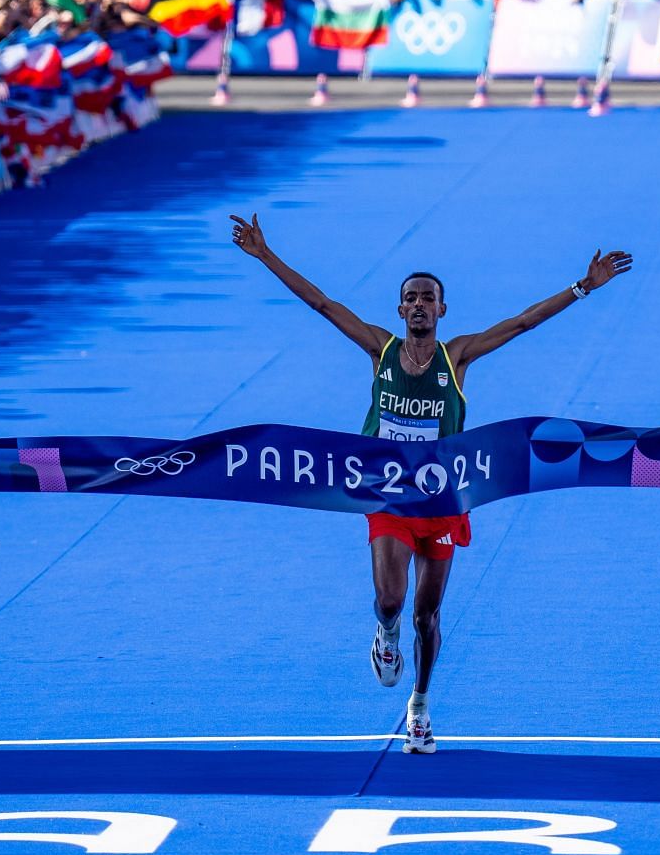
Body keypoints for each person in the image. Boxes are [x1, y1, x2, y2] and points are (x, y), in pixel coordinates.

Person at [228, 213, 632, 753]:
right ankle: (384, 633)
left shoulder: (456, 356)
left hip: (442, 501)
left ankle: (419, 706)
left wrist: (584, 286)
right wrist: (265, 254)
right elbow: (322, 304)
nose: (418, 304)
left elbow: (522, 323)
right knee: (393, 601)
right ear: (400, 310)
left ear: (441, 309)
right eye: (410, 297)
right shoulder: (379, 349)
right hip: (389, 496)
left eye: (428, 297)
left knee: (428, 613)